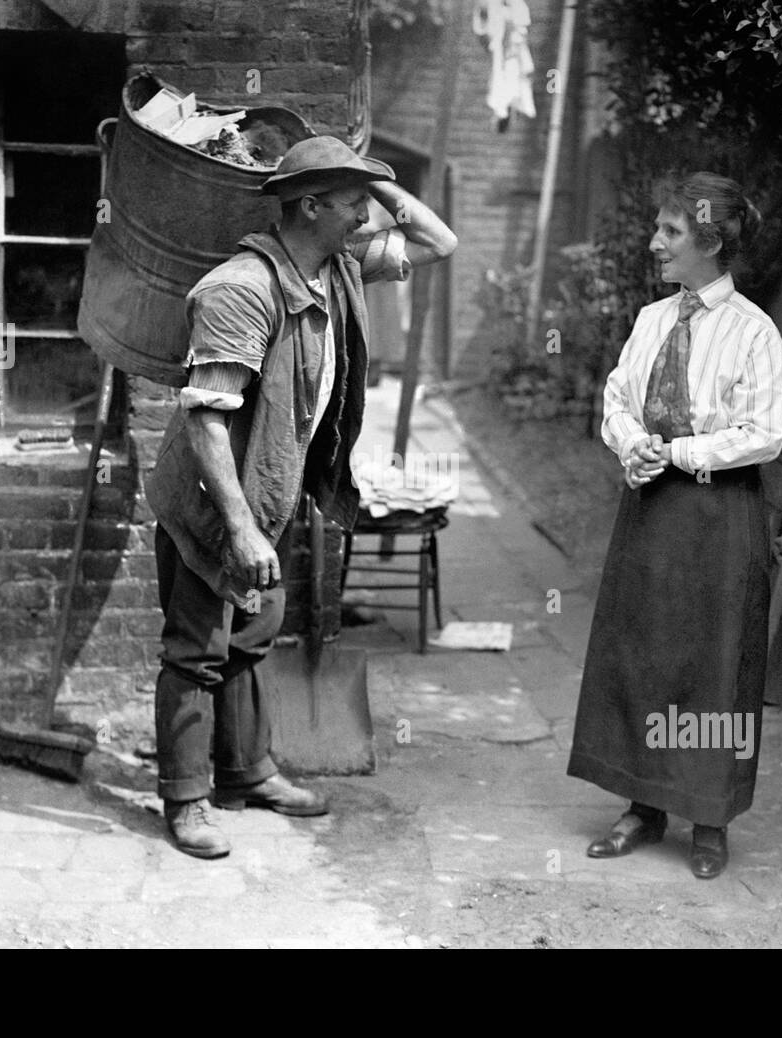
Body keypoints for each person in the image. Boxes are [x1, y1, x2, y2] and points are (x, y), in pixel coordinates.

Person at [144, 136, 457, 859]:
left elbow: (438, 240)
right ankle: (186, 801)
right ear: (310, 205)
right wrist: (240, 529)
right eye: (353, 203)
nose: (367, 217)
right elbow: (207, 420)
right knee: (196, 650)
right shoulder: (240, 290)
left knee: (253, 638)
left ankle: (246, 773)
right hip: (212, 501)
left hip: (273, 495)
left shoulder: (337, 270)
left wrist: (371, 181)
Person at [566, 172, 782, 879]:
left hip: (719, 514)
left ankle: (710, 818)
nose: (654, 242)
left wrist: (683, 452)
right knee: (640, 651)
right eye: (658, 228)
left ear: (711, 242)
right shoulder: (653, 319)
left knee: (712, 664)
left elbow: (766, 433)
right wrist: (632, 445)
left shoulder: (754, 332)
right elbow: (619, 396)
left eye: (670, 232)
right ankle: (642, 805)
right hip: (652, 509)